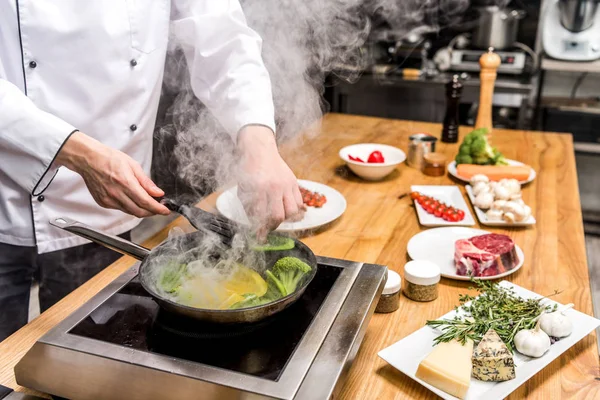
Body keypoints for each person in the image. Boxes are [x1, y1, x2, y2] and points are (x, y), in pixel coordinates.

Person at [0, 1, 304, 341]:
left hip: (104, 212)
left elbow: (223, 38)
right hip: (3, 189)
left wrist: (260, 146)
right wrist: (77, 152)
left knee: (92, 360)